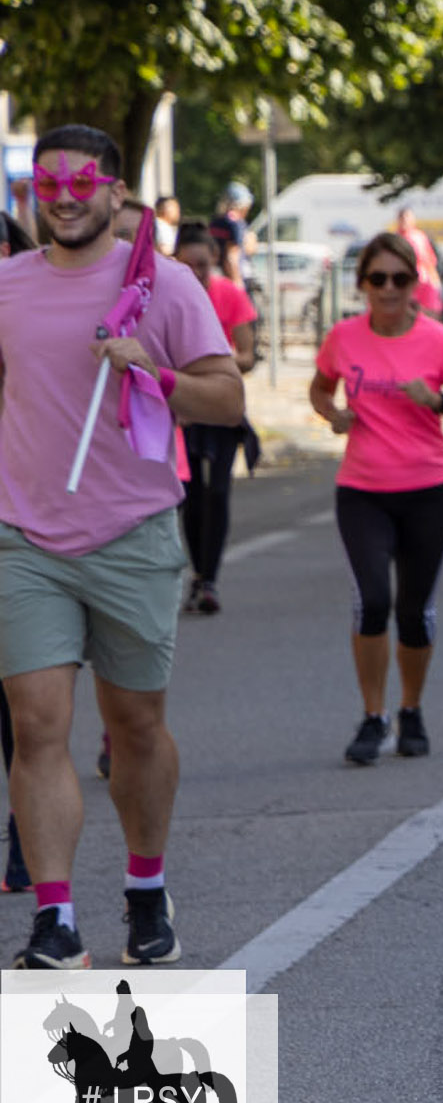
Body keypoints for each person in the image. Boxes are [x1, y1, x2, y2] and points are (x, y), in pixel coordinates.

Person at [1, 126, 246, 969]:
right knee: (37, 724)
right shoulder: (6, 286)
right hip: (22, 537)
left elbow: (227, 397)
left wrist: (158, 372)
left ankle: (146, 885)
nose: (63, 196)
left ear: (114, 192)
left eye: (81, 181)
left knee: (134, 726)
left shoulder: (163, 285)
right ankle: (56, 918)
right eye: (48, 182)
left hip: (133, 534)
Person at [309, 233, 443, 768]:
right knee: (372, 601)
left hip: (428, 491)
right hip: (363, 491)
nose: (389, 289)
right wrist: (332, 415)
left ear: (417, 284)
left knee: (413, 611)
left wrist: (438, 400)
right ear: (362, 283)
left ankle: (411, 709)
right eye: (378, 279)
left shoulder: (436, 341)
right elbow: (320, 388)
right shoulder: (343, 337)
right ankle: (373, 715)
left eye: (400, 279)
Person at [169, 228, 259, 616]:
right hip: (182, 409)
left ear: (215, 263)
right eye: (186, 266)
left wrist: (212, 362)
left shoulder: (230, 295)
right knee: (191, 497)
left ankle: (210, 579)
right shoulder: (165, 296)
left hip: (218, 404)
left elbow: (248, 356)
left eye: (202, 266)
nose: (195, 275)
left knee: (218, 492)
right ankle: (198, 571)